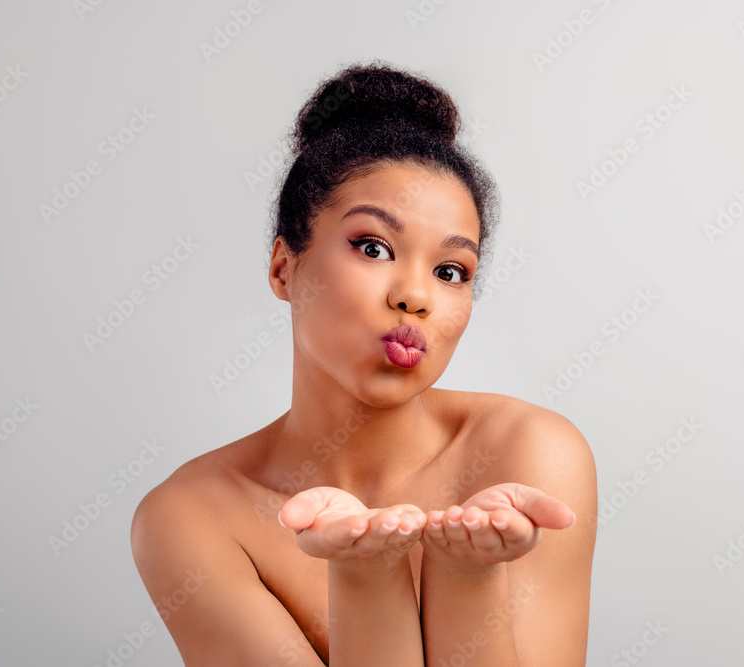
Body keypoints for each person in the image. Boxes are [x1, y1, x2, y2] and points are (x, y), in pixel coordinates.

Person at [131, 61, 597, 666]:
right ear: (283, 267)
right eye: (373, 247)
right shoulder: (190, 516)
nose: (415, 296)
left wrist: (466, 578)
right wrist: (365, 580)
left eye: (450, 271)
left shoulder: (532, 454)